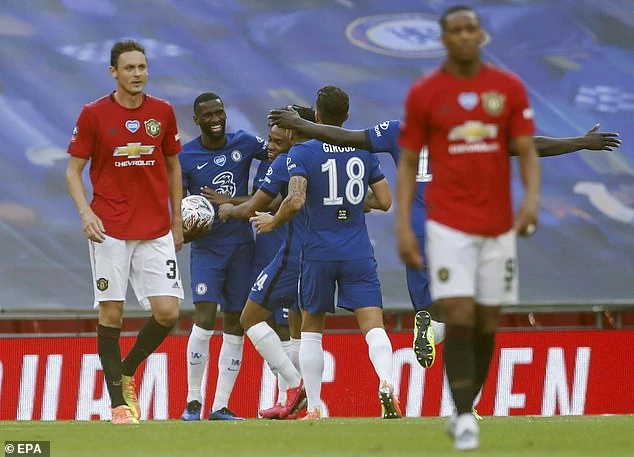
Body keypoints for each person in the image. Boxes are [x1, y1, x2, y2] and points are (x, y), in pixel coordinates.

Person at [267, 111, 620, 368]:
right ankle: (451, 371)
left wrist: (301, 125)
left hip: (415, 229)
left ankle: (427, 323)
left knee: (430, 307)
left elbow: (346, 138)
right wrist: (580, 142)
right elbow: (530, 146)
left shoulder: (399, 130)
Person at [397, 5, 540, 450]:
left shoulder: (508, 88)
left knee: (486, 320)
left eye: (470, 29)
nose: (463, 36)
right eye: (455, 30)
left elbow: (526, 149)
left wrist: (531, 201)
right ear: (443, 39)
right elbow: (408, 163)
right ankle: (463, 417)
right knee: (458, 313)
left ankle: (464, 403)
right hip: (448, 224)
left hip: (497, 224)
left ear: (481, 36)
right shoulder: (425, 93)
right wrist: (402, 225)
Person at [251, 86, 399, 420]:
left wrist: (274, 221)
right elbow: (385, 201)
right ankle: (386, 382)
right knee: (373, 325)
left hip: (318, 252)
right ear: (346, 116)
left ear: (316, 116)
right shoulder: (363, 149)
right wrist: (351, 200)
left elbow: (296, 200)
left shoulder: (303, 152)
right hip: (357, 251)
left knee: (311, 330)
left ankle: (315, 406)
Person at [66, 40, 183, 425]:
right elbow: (73, 171)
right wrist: (86, 214)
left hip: (155, 228)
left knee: (167, 312)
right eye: (129, 68)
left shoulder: (162, 112)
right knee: (112, 313)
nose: (137, 74)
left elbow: (173, 166)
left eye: (142, 67)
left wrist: (177, 221)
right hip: (110, 228)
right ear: (113, 72)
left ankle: (126, 372)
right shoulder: (93, 114)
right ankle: (119, 406)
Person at [218, 106, 318, 420]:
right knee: (300, 330)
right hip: (323, 255)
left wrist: (226, 209)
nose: (269, 147)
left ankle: (294, 385)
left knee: (249, 317)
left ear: (293, 137)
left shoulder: (288, 162)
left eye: (276, 141)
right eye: (269, 140)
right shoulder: (325, 157)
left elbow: (253, 207)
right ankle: (297, 403)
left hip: (293, 254)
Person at [179, 92, 268, 421]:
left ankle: (220, 405)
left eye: (219, 113)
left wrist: (238, 201)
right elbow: (181, 209)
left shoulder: (245, 143)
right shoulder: (186, 157)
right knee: (204, 318)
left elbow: (278, 155)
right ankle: (193, 400)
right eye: (208, 115)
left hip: (242, 247)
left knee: (235, 323)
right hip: (207, 250)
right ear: (196, 120)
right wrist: (189, 228)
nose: (215, 119)